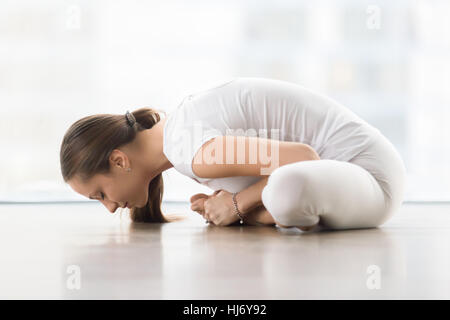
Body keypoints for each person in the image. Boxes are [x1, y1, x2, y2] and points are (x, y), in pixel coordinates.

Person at [60, 77, 406, 232]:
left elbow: (303, 156)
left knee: (285, 193)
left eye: (100, 194)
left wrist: (238, 205)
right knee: (278, 195)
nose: (108, 206)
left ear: (119, 160)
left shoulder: (192, 149)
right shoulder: (183, 136)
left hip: (369, 177)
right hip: (345, 184)